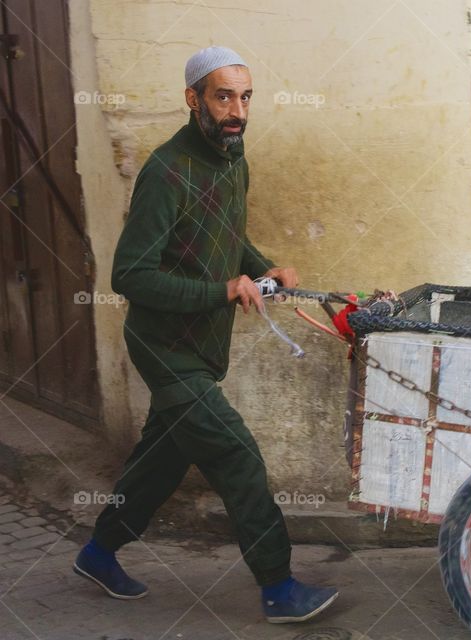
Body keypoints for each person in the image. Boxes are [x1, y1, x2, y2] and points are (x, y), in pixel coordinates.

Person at [72, 45, 339, 624]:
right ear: (193, 99)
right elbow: (131, 275)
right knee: (235, 454)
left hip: (203, 345)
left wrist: (263, 267)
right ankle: (278, 588)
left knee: (161, 461)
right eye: (223, 96)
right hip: (165, 346)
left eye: (245, 97)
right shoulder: (166, 171)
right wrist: (221, 291)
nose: (236, 109)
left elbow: (225, 237)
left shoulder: (233, 160)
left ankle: (98, 552)